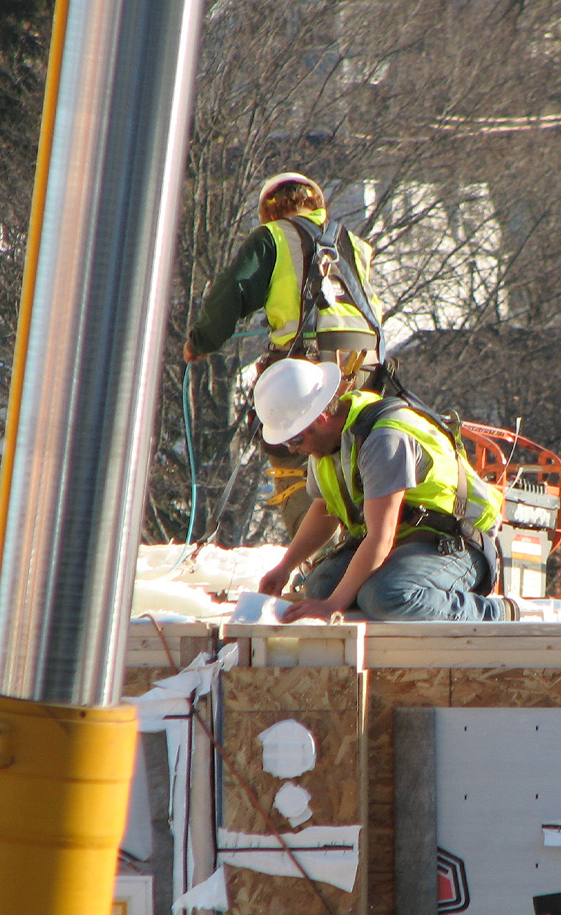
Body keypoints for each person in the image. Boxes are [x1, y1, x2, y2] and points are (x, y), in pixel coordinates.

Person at [183, 171, 384, 535]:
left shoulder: (272, 237)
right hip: (369, 365)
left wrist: (202, 341)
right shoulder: (354, 242)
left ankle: (318, 559)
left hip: (310, 361)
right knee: (358, 455)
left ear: (269, 210)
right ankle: (366, 544)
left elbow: (234, 291)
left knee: (292, 449)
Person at [253, 358, 520, 622]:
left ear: (320, 417)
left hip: (454, 542)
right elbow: (325, 509)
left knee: (385, 596)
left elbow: (380, 537)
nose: (293, 449)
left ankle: (495, 613)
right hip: (403, 540)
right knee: (320, 589)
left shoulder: (384, 439)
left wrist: (333, 606)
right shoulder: (326, 446)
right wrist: (284, 567)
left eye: (296, 439)